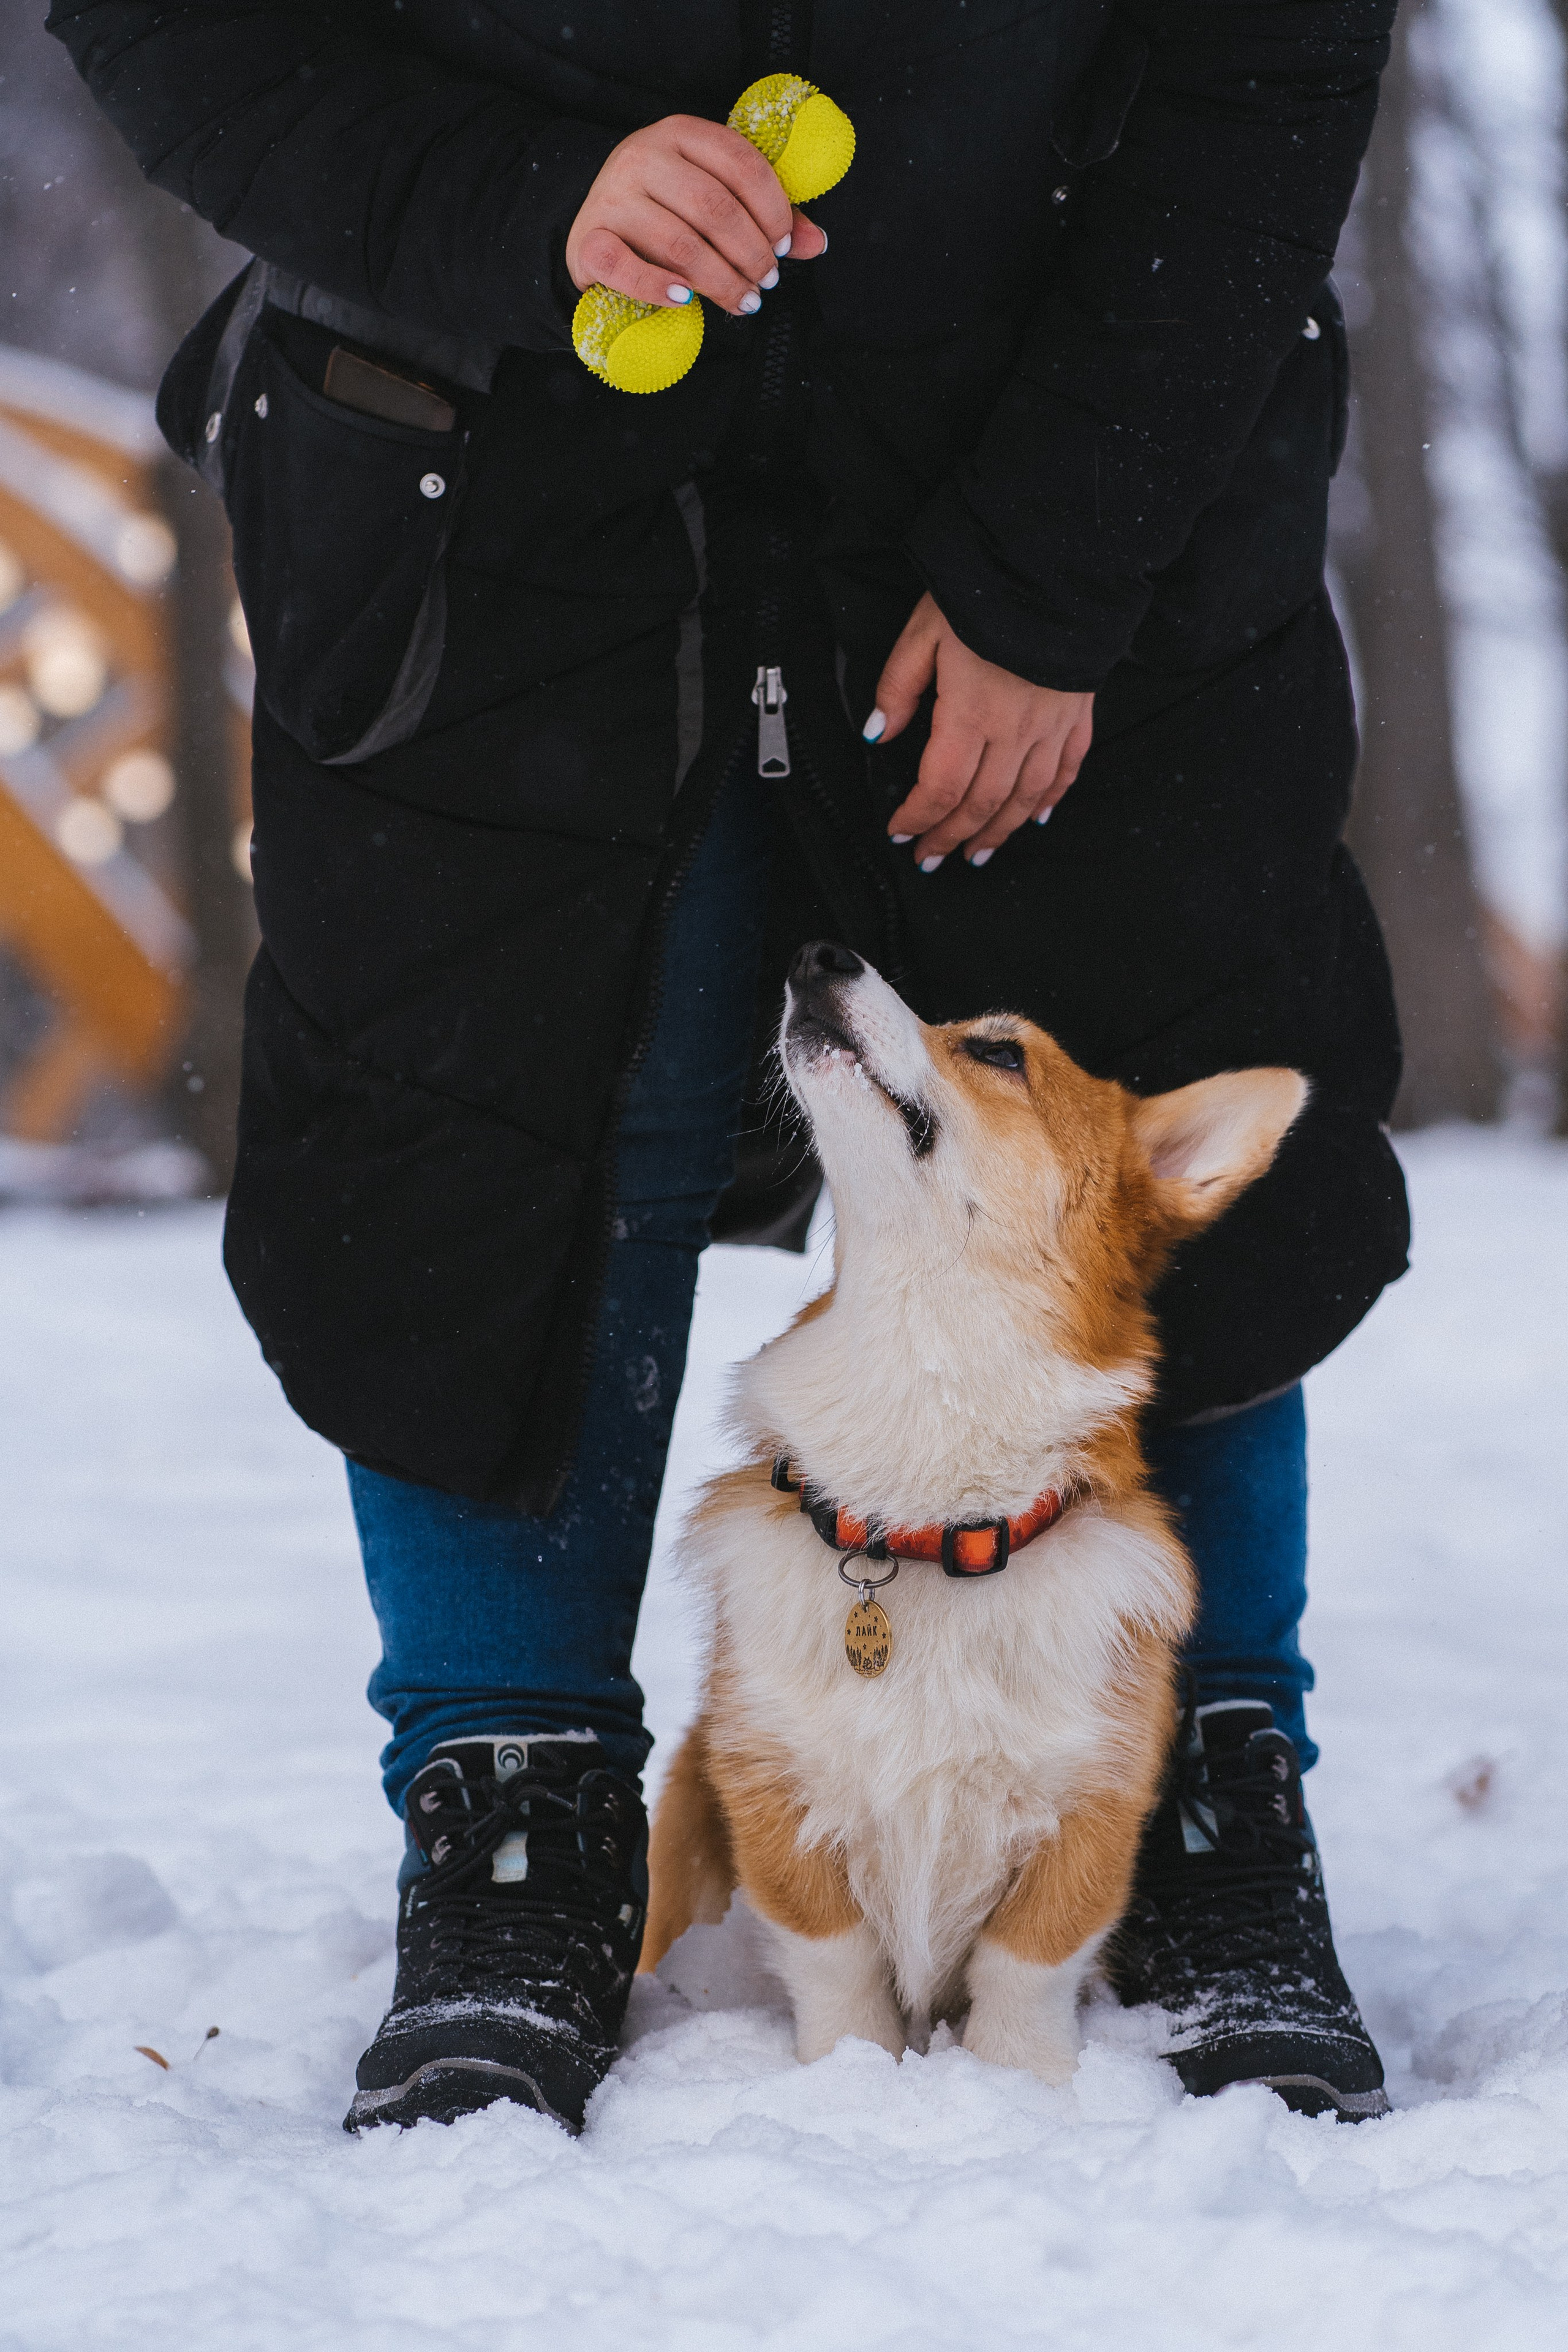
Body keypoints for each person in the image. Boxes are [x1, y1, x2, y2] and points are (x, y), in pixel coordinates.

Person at [54, 0, 1409, 2132]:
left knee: (1142, 1076)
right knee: (476, 1128)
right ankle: (515, 1813)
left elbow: (1273, 51)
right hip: (471, 461)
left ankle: (1205, 1778)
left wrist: (1062, 567)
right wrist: (516, 202)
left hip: (1061, 428)